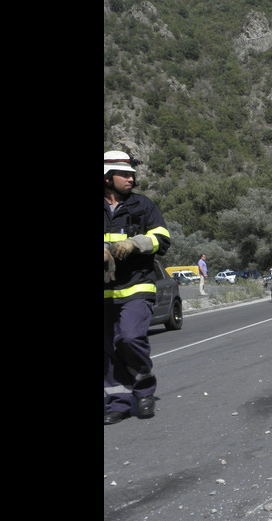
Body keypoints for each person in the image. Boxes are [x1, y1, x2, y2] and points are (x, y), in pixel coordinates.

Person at [104, 150, 171, 425]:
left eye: (132, 174)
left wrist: (136, 243)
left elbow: (162, 238)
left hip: (136, 287)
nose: (131, 178)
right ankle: (117, 402)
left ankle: (143, 391)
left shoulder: (143, 205)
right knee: (108, 351)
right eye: (124, 174)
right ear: (107, 177)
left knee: (130, 338)